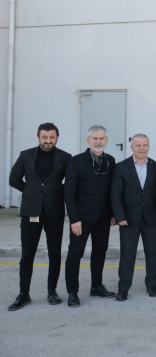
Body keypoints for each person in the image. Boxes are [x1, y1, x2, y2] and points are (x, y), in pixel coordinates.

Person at [8, 123, 71, 311]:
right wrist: (31, 192)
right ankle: (23, 294)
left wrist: (56, 193)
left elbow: (71, 183)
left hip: (54, 213)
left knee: (54, 253)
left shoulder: (65, 157)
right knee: (27, 254)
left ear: (57, 138)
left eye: (52, 137)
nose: (48, 140)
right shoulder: (25, 155)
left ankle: (52, 291)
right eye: (44, 137)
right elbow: (14, 180)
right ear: (38, 137)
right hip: (31, 211)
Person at [63, 125, 117, 308]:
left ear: (106, 141)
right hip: (82, 218)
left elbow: (112, 190)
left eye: (101, 138)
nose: (98, 142)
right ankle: (72, 292)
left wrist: (113, 214)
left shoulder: (110, 161)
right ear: (88, 141)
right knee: (75, 254)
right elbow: (69, 193)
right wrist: (74, 219)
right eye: (95, 138)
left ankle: (96, 286)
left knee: (100, 252)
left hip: (103, 217)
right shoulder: (76, 162)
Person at [111, 134, 156, 301]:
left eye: (145, 145)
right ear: (132, 147)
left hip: (151, 218)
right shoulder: (121, 167)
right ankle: (123, 289)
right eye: (138, 145)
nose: (142, 148)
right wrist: (119, 216)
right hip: (128, 219)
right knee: (127, 256)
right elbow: (115, 195)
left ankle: (152, 286)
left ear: (148, 147)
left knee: (152, 254)